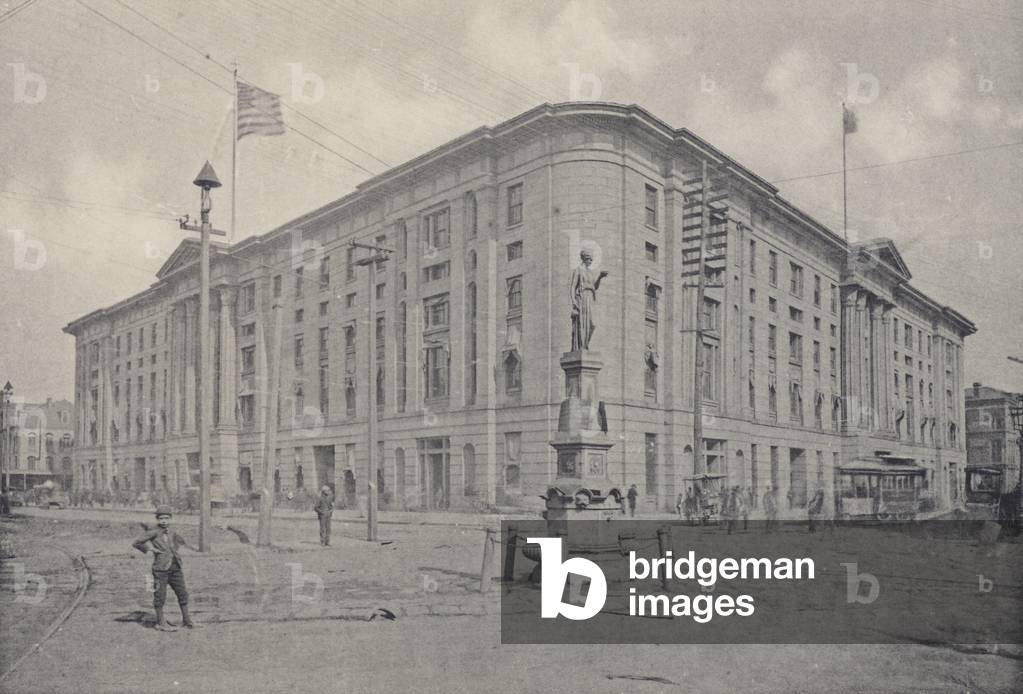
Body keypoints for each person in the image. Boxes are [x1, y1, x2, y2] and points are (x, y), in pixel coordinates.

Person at [132, 505, 199, 631]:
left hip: (175, 567)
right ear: (157, 519)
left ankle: (187, 620)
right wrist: (150, 548)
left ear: (171, 519)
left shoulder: (172, 531)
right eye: (161, 518)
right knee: (160, 595)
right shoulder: (153, 531)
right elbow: (137, 543)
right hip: (160, 569)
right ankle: (160, 622)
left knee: (182, 593)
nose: (164, 521)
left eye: (167, 518)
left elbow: (177, 543)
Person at [569, 249, 609, 351]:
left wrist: (600, 277)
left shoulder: (590, 273)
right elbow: (573, 286)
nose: (590, 262)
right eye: (588, 259)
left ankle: (585, 345)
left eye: (591, 260)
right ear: (584, 259)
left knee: (592, 324)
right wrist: (574, 301)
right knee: (582, 324)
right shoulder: (578, 270)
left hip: (590, 299)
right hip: (582, 298)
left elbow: (594, 287)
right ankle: (582, 347)